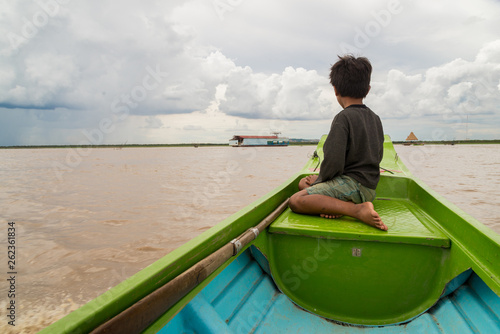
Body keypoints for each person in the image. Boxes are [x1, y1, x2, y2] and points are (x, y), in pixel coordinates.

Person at [288, 55, 388, 231]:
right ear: (368, 89)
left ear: (335, 90)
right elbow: (378, 155)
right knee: (304, 183)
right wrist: (320, 182)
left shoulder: (343, 118)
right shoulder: (376, 118)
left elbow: (333, 161)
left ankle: (356, 210)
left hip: (353, 186)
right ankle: (337, 205)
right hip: (369, 189)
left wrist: (320, 180)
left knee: (296, 200)